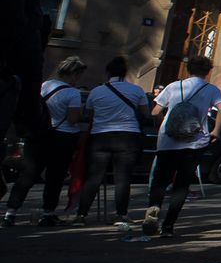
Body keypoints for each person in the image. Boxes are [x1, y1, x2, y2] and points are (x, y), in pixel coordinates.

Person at [142, 54, 221, 239]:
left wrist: (167, 124)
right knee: (182, 185)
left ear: (189, 69)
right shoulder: (211, 89)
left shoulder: (173, 86)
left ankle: (153, 210)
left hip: (167, 142)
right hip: (194, 143)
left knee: (160, 181)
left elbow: (155, 111)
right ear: (208, 71)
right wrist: (216, 130)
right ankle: (168, 226)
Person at [5, 55, 86, 227]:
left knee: (28, 174)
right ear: (74, 74)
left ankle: (10, 212)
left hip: (39, 135)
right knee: (55, 177)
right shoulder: (73, 93)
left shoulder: (45, 86)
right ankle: (47, 213)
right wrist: (80, 114)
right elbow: (73, 119)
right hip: (63, 137)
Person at [77, 55, 148, 232]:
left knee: (94, 177)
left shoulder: (96, 91)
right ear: (125, 73)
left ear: (108, 72)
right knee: (122, 178)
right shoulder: (136, 90)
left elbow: (90, 114)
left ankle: (81, 214)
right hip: (128, 135)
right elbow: (145, 114)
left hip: (100, 136)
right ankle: (121, 214)